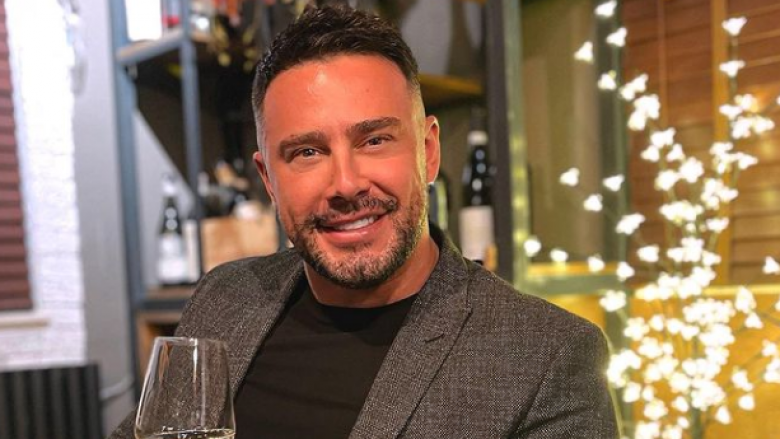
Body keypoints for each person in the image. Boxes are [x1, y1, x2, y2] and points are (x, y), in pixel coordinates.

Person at [110, 5, 618, 439]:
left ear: (428, 151)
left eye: (374, 140)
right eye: (307, 152)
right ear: (268, 179)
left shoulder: (545, 356)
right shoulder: (225, 297)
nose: (346, 183)